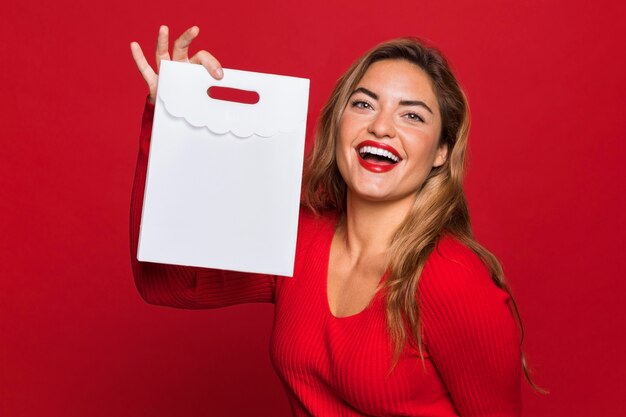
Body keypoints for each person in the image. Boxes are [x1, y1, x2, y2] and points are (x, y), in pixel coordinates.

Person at [129, 25, 529, 416]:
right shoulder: (298, 236)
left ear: (442, 151)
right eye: (364, 104)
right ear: (338, 122)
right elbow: (167, 283)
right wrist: (171, 123)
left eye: (412, 116)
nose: (381, 127)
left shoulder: (454, 277)